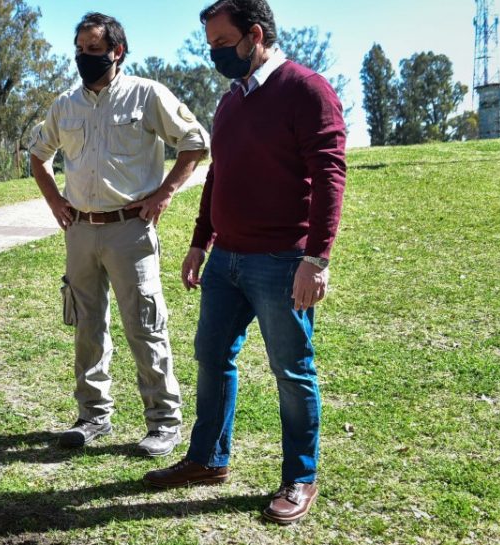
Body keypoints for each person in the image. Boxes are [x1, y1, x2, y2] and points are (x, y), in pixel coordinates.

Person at [142, 0, 347, 525]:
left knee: (292, 370)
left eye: (222, 43)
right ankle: (208, 459)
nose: (215, 55)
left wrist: (316, 260)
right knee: (211, 357)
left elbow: (330, 176)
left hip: (282, 262)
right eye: (210, 45)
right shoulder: (230, 102)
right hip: (226, 262)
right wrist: (199, 241)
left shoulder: (306, 90)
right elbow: (219, 174)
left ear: (255, 34)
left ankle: (301, 476)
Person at [28, 12, 210, 456]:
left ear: (117, 51)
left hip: (131, 231)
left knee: (144, 324)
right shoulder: (64, 105)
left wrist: (165, 193)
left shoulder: (146, 95)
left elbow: (195, 142)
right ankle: (93, 417)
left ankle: (164, 422)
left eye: (94, 50)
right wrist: (55, 200)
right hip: (81, 232)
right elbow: (37, 154)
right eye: (80, 50)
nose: (85, 58)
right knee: (87, 326)